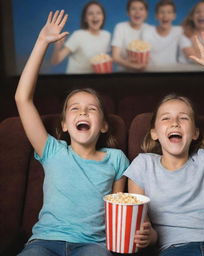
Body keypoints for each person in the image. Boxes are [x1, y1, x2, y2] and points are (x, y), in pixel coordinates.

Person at [124, 33, 204, 256]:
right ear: (154, 133)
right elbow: (144, 225)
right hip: (176, 249)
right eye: (166, 118)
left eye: (183, 118)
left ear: (194, 133)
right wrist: (149, 236)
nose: (175, 122)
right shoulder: (143, 164)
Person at [15, 10, 129, 256]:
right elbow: (22, 99)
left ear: (104, 125)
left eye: (91, 110)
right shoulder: (52, 150)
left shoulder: (116, 158)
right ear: (65, 124)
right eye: (75, 109)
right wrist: (42, 42)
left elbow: (118, 213)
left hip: (93, 245)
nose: (83, 113)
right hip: (44, 242)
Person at [51, 1, 111, 74]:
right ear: (85, 18)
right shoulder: (78, 35)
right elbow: (55, 61)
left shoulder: (107, 35)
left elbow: (107, 59)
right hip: (75, 80)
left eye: (98, 13)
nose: (95, 16)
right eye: (90, 13)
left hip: (95, 80)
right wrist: (57, 47)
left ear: (103, 17)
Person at [142, 0, 183, 69]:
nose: (165, 15)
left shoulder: (179, 30)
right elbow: (143, 53)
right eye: (162, 12)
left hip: (172, 72)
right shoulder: (148, 31)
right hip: (151, 72)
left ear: (174, 16)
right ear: (156, 16)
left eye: (169, 12)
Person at [111, 0, 151, 71]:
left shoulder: (150, 29)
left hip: (145, 73)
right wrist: (132, 65)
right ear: (128, 12)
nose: (137, 12)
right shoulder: (120, 27)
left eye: (141, 9)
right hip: (124, 73)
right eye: (133, 9)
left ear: (146, 13)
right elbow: (115, 57)